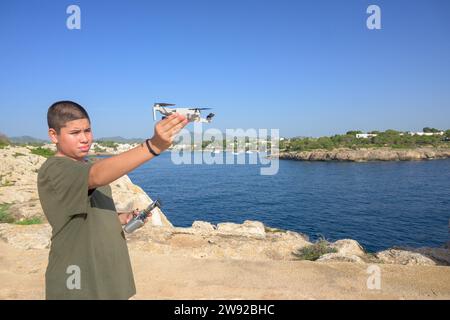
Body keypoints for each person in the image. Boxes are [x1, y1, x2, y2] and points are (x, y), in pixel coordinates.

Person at [37, 100, 188, 299]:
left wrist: (121, 218)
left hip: (106, 275)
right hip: (76, 277)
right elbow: (96, 175)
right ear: (53, 135)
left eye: (87, 131)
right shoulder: (56, 168)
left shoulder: (86, 165)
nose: (84, 139)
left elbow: (86, 212)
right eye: (75, 133)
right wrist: (153, 146)